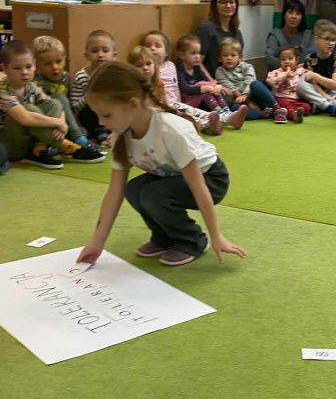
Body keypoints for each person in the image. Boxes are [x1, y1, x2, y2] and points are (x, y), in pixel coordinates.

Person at [76, 62, 246, 267]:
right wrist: (97, 242)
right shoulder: (122, 134)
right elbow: (114, 192)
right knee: (134, 189)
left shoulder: (170, 131)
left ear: (132, 105)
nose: (101, 122)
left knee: (153, 194)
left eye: (107, 114)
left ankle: (192, 240)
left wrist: (216, 235)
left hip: (211, 178)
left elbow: (198, 187)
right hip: (172, 177)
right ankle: (164, 237)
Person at [0, 40, 104, 169]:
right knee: (30, 109)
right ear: (4, 68)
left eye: (28, 67)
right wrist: (58, 123)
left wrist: (61, 121)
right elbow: (25, 118)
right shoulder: (3, 90)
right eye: (17, 68)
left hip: (30, 140)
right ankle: (65, 146)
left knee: (55, 103)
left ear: (34, 65)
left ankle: (40, 149)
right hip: (11, 146)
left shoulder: (30, 86)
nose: (25, 72)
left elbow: (54, 105)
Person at [140, 33, 246, 134]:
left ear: (166, 52)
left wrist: (215, 85)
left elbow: (177, 87)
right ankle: (209, 125)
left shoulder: (170, 65)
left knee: (195, 111)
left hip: (177, 102)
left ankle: (228, 118)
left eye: (157, 45)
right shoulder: (148, 70)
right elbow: (182, 88)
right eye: (148, 46)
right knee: (189, 117)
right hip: (164, 105)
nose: (152, 48)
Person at [32, 35, 104, 159]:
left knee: (84, 131)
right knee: (58, 97)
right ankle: (77, 139)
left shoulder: (66, 78)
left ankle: (68, 140)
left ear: (64, 60)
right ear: (37, 66)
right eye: (47, 64)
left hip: (64, 121)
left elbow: (70, 106)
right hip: (47, 122)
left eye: (58, 62)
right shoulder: (37, 82)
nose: (55, 67)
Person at [296, 19, 336, 118]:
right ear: (316, 40)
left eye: (333, 40)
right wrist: (325, 97)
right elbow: (314, 84)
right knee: (300, 85)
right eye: (327, 39)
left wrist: (314, 75)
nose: (331, 43)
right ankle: (331, 108)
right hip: (317, 93)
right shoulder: (310, 59)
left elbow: (334, 84)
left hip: (333, 94)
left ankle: (320, 106)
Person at [70, 29, 117, 144]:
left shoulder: (116, 75)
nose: (100, 55)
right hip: (90, 117)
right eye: (94, 51)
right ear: (86, 55)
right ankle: (100, 132)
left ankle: (115, 131)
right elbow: (74, 107)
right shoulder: (81, 77)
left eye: (105, 50)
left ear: (114, 55)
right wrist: (89, 96)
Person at [215, 38, 278, 120]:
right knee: (234, 108)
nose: (229, 58)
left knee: (256, 84)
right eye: (225, 55)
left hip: (252, 93)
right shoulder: (219, 71)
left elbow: (250, 80)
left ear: (239, 57)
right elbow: (229, 86)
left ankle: (276, 107)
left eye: (233, 55)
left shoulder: (247, 67)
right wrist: (246, 101)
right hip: (238, 98)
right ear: (220, 58)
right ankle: (264, 114)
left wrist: (245, 94)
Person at [194, 0, 244, 77]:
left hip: (234, 82)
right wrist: (213, 84)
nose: (228, 6)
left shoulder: (237, 32)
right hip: (213, 84)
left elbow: (240, 62)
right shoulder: (206, 28)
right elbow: (197, 63)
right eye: (223, 2)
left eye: (231, 2)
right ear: (215, 5)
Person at [175, 34, 230, 114]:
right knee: (205, 90)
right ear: (182, 55)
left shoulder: (196, 68)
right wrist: (206, 88)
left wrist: (217, 86)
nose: (198, 56)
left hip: (202, 101)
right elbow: (185, 89)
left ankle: (226, 111)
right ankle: (219, 113)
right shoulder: (179, 70)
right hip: (189, 102)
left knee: (212, 89)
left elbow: (206, 81)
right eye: (193, 53)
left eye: (198, 53)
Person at [265, 46, 311, 124]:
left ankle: (287, 112)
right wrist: (285, 74)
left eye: (290, 58)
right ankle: (293, 115)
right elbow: (271, 81)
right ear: (280, 62)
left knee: (307, 107)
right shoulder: (276, 72)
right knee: (284, 104)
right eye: (283, 59)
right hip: (281, 98)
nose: (287, 61)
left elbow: (307, 79)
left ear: (297, 60)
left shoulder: (300, 71)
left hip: (295, 101)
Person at [265, 0, 313, 72]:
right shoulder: (275, 34)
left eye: (298, 13)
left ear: (302, 17)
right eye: (290, 12)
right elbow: (269, 61)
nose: (294, 16)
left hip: (304, 77)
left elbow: (314, 59)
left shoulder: (309, 35)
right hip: (279, 77)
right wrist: (293, 66)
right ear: (284, 15)